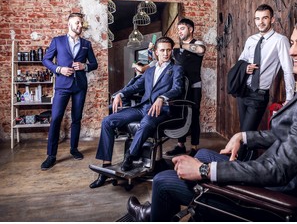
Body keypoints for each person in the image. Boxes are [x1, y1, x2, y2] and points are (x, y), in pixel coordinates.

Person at [126, 11, 297, 222]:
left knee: (163, 180)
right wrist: (245, 137)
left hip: (270, 196)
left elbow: (279, 169)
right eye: (293, 42)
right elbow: (289, 135)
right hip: (275, 176)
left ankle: (150, 217)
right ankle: (153, 211)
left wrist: (204, 171)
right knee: (205, 152)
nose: (292, 50)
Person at [89, 36, 184, 189]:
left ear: (171, 51)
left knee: (146, 122)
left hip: (162, 109)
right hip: (143, 107)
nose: (166, 53)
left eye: (168, 50)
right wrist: (120, 94)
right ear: (156, 52)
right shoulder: (150, 70)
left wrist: (162, 98)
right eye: (162, 50)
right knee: (108, 121)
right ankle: (106, 168)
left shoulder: (176, 69)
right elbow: (135, 87)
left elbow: (177, 88)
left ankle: (130, 157)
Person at [41, 12, 98, 170]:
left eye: (81, 23)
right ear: (69, 24)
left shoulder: (86, 43)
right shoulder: (57, 41)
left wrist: (84, 66)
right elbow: (46, 60)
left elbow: (94, 64)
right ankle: (51, 155)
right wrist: (59, 69)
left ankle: (74, 149)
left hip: (80, 86)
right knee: (56, 118)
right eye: (77, 23)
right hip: (62, 86)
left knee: (76, 119)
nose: (80, 26)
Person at [236, 4, 295, 132]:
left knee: (246, 133)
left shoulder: (280, 40)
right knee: (243, 132)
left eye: (265, 18)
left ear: (272, 19)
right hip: (243, 92)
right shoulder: (251, 40)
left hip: (259, 94)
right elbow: (241, 61)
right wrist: (246, 67)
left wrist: (289, 98)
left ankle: (242, 152)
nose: (260, 22)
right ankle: (247, 153)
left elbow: (288, 69)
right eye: (257, 18)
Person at [165, 18, 206, 157]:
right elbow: (165, 61)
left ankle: (194, 147)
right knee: (180, 114)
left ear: (190, 29)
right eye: (178, 29)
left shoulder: (196, 44)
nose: (179, 31)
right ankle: (180, 145)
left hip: (194, 85)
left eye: (182, 28)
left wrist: (180, 45)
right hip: (180, 86)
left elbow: (201, 50)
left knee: (194, 114)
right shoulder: (176, 50)